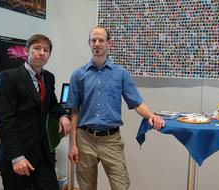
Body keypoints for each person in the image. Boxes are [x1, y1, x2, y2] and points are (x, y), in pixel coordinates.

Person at [66, 26, 165, 190]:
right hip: (85, 139)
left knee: (121, 185)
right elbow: (74, 111)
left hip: (111, 140)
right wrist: (72, 144)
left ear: (109, 43)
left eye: (101, 40)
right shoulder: (78, 74)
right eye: (93, 40)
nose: (97, 44)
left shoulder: (121, 74)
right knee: (86, 187)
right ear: (89, 43)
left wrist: (151, 116)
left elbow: (137, 103)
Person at [0, 34, 71, 190]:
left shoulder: (48, 77)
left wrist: (63, 115)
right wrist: (17, 157)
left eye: (46, 50)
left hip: (42, 154)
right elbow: (5, 121)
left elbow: (52, 104)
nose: (41, 53)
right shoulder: (9, 77)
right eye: (36, 48)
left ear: (49, 55)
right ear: (26, 51)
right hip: (17, 156)